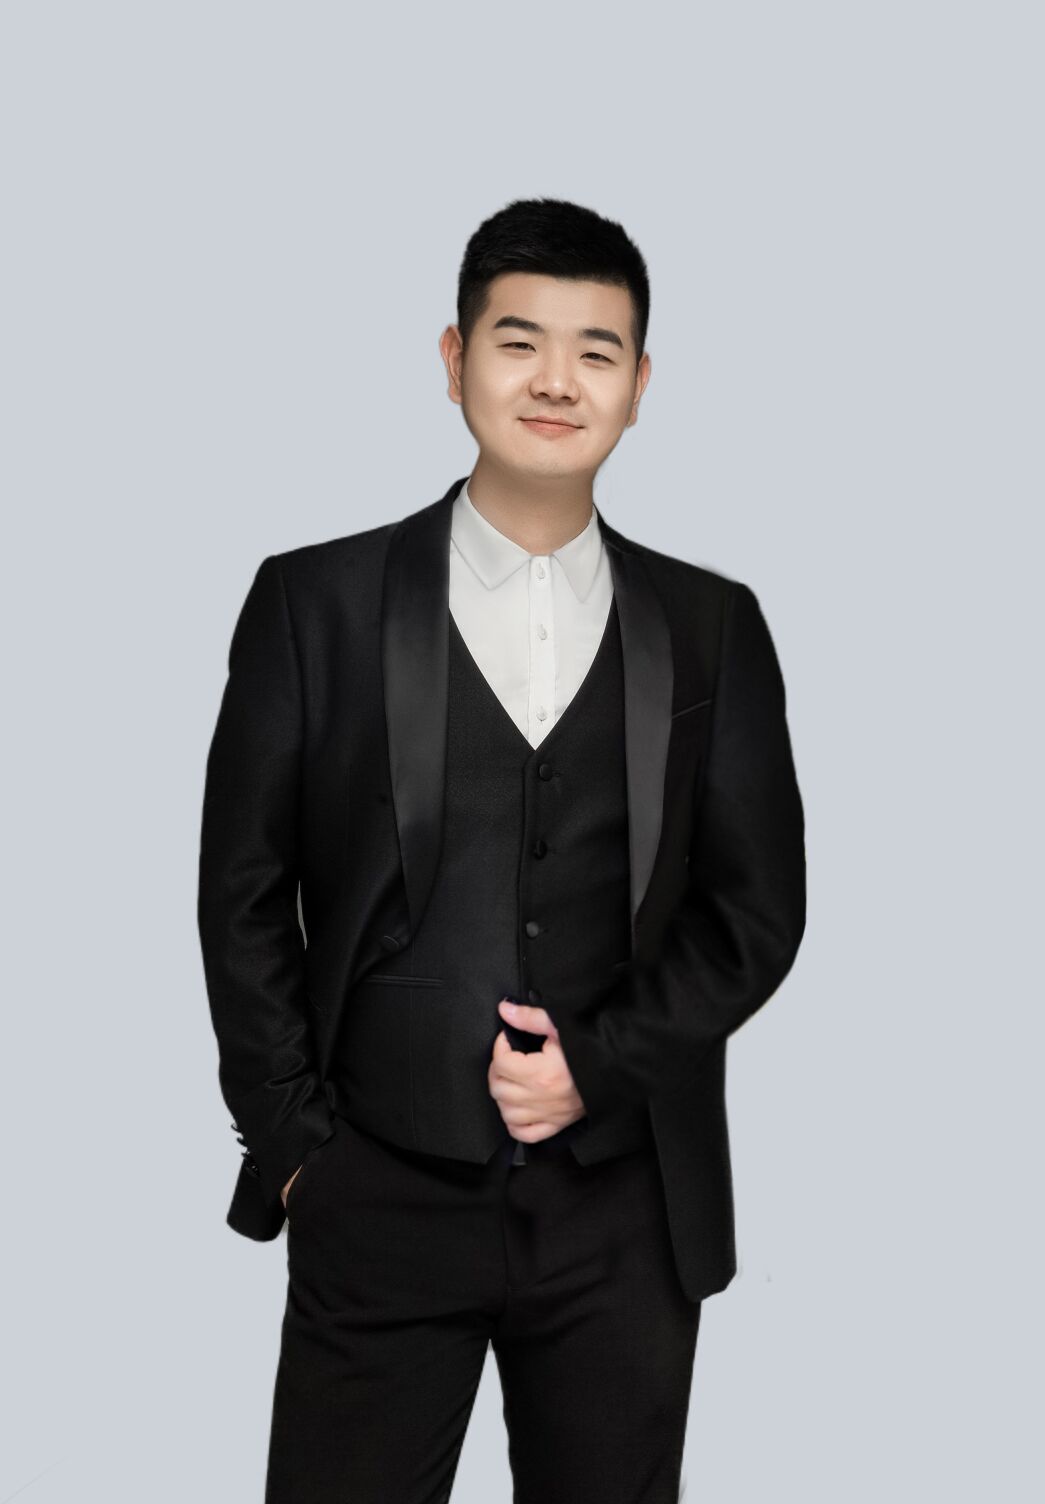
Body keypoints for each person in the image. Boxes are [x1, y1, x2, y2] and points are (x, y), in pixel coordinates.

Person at [196, 195, 806, 1504]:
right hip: (377, 1185)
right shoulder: (314, 602)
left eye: (596, 350)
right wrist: (295, 1142)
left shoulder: (712, 625)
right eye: (519, 340)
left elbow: (754, 914)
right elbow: (241, 890)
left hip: (624, 1213)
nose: (555, 380)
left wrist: (598, 1065)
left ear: (639, 386)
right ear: (454, 358)